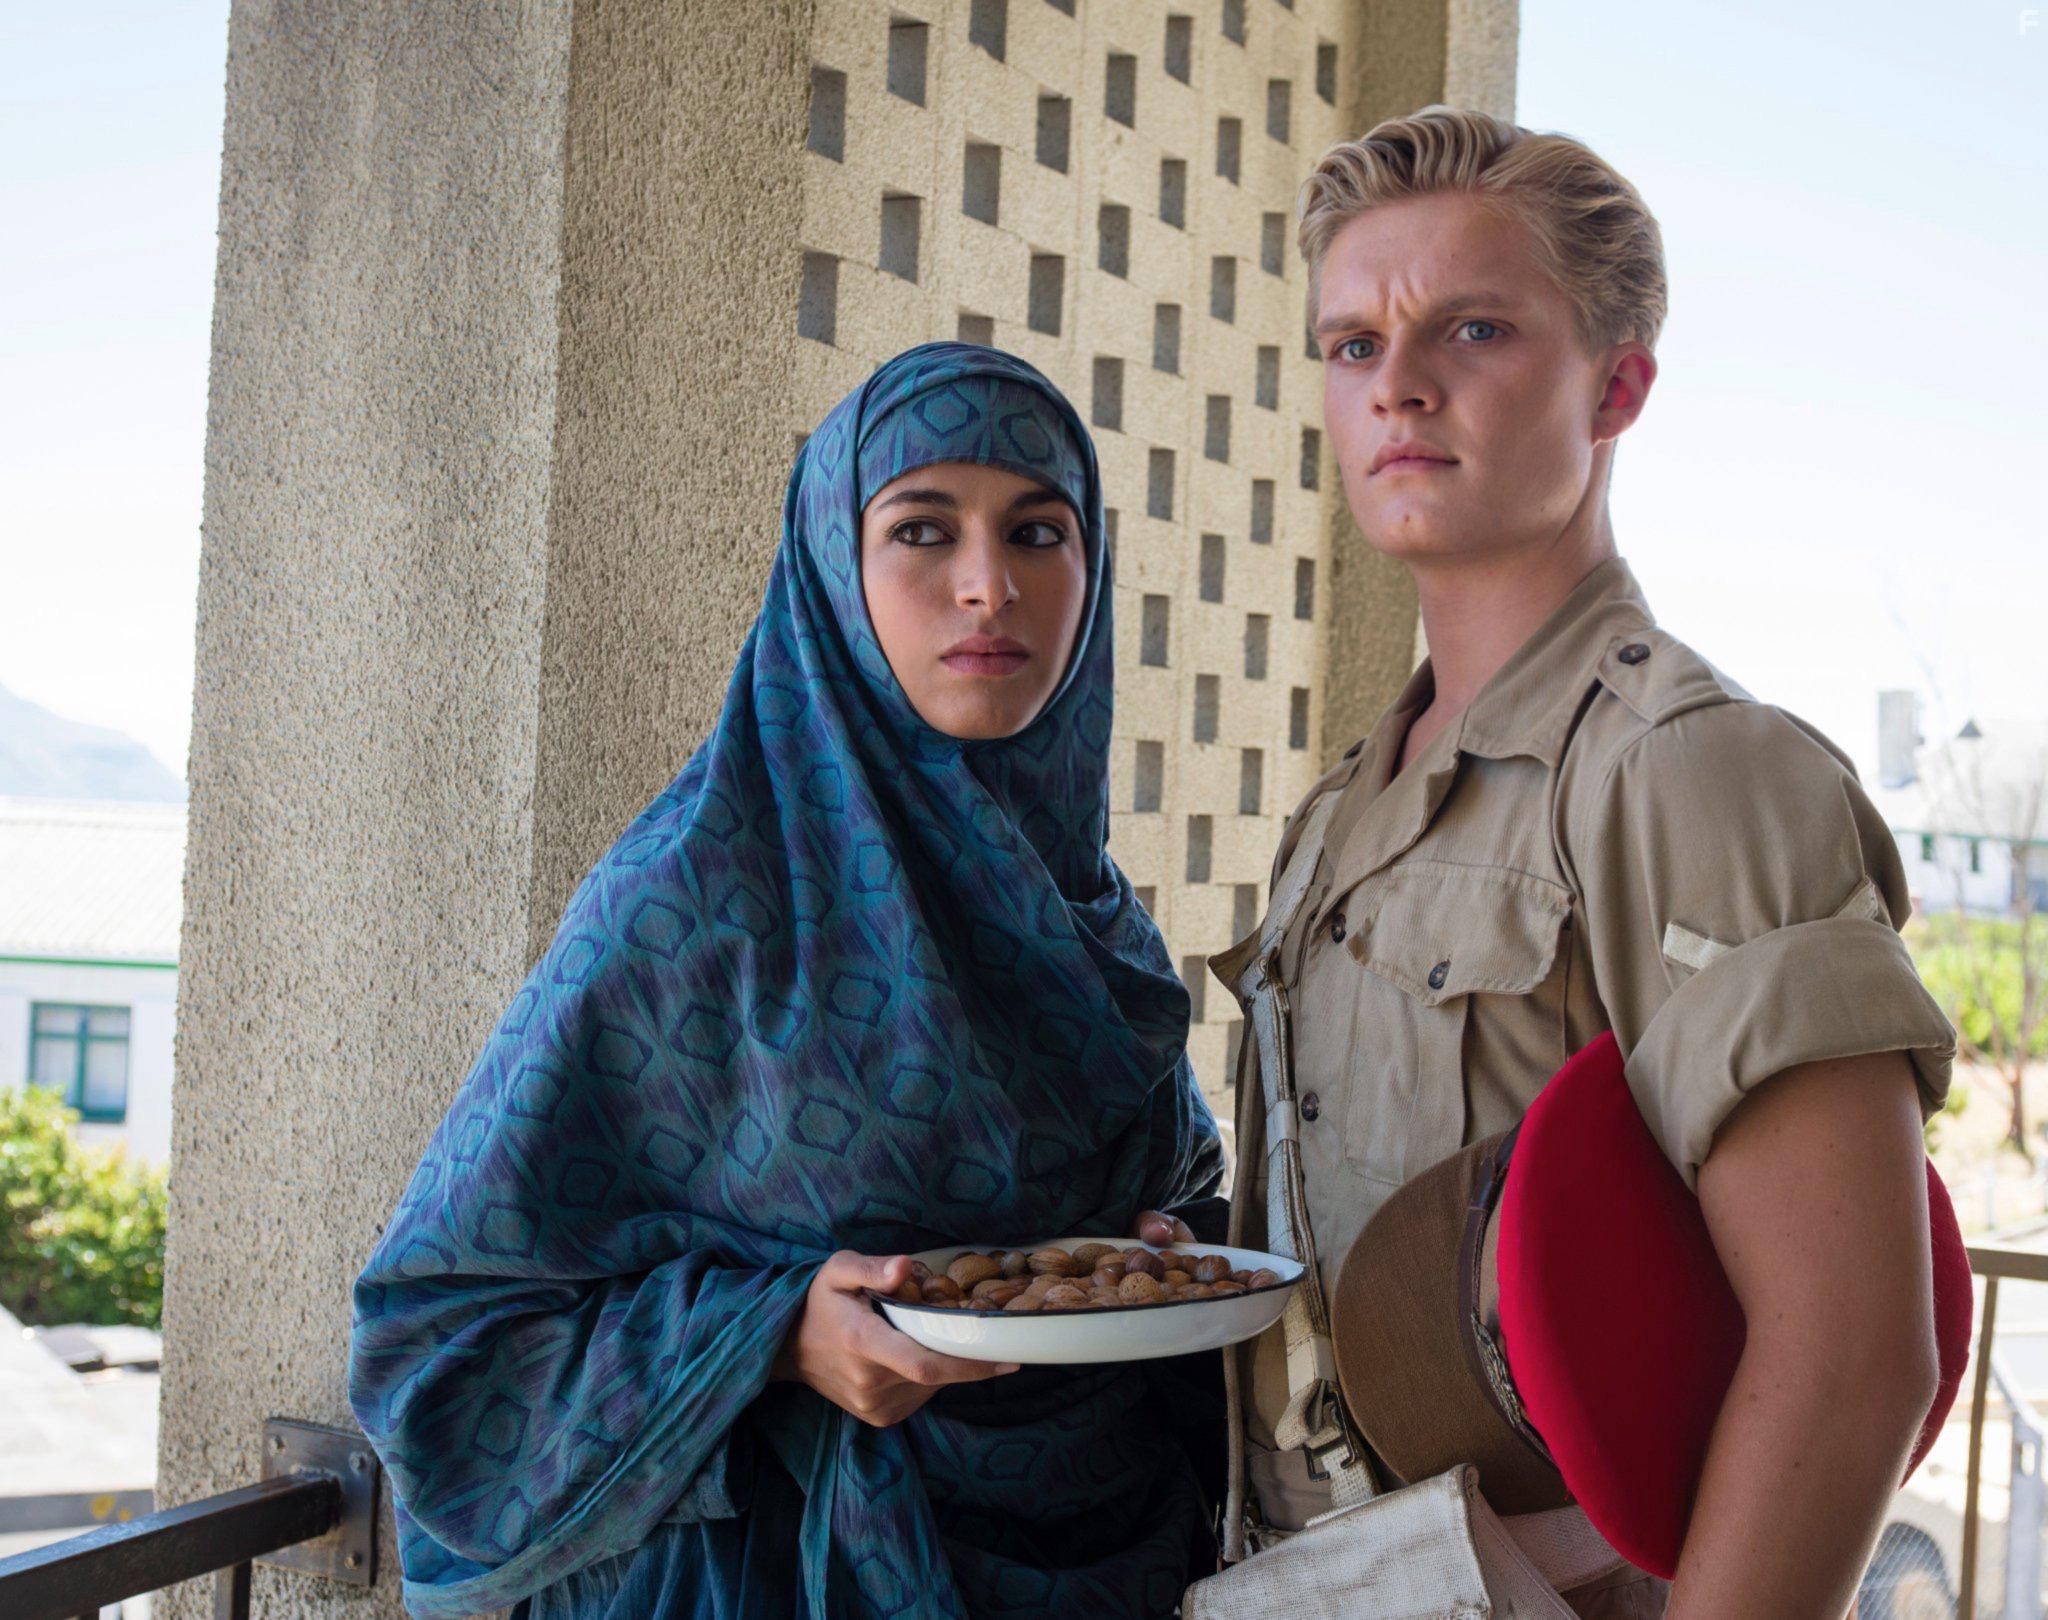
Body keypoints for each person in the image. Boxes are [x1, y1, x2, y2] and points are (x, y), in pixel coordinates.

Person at [1207, 106, 1958, 1618]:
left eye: (1473, 329)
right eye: (1353, 346)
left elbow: (1853, 1356)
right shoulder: (1342, 806)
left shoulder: (1687, 769)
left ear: (1616, 386)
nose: (1398, 384)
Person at [347, 340, 1227, 1619]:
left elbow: (1165, 1200)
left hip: (1117, 1556)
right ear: (830, 566)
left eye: (1038, 534)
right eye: (921, 531)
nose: (987, 586)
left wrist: (1162, 1250)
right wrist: (773, 1339)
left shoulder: (1082, 910)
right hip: (768, 1577)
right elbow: (438, 1354)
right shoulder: (692, 907)